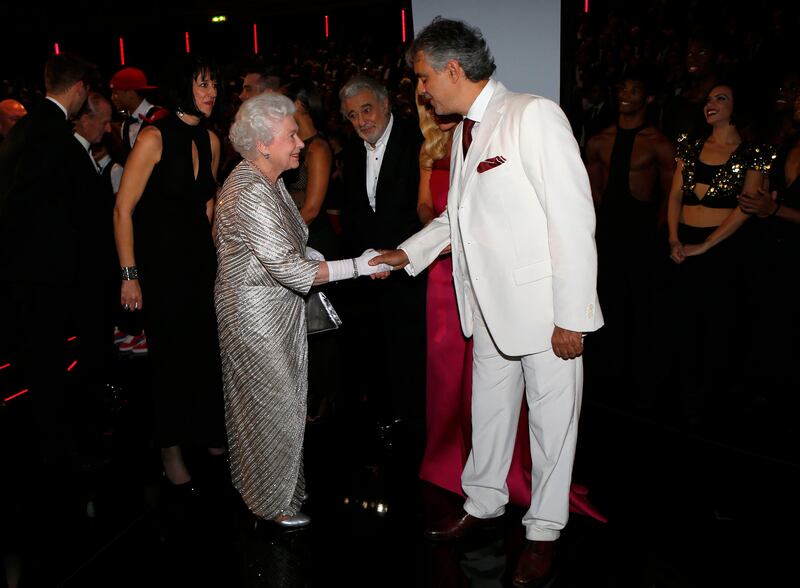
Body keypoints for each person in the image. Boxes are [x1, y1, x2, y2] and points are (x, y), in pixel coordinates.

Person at [371, 18, 603, 586]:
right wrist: (408, 254)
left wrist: (572, 317)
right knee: (490, 418)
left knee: (553, 428)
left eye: (424, 78)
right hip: (487, 310)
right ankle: (483, 506)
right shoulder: (463, 134)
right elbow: (458, 218)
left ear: (454, 69)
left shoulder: (532, 115)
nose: (421, 90)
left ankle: (544, 533)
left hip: (547, 314)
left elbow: (574, 221)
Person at [213, 92, 391, 527]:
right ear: (262, 144)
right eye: (290, 135)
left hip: (271, 307)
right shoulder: (251, 192)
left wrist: (357, 259)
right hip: (253, 313)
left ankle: (270, 489)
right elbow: (294, 270)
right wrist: (359, 266)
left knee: (277, 402)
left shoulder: (266, 181)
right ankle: (271, 502)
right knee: (271, 403)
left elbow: (293, 248)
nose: (300, 142)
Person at [113, 54, 226, 494]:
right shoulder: (154, 137)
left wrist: (221, 254)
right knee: (169, 359)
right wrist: (129, 273)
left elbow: (208, 205)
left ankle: (207, 430)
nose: (211, 92)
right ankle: (170, 447)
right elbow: (123, 208)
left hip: (201, 263)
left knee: (204, 352)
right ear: (184, 88)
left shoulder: (213, 141)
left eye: (214, 83)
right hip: (160, 268)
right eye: (202, 84)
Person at [0, 52, 98, 474]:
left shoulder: (17, 133)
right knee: (50, 364)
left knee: (35, 361)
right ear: (79, 89)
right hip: (52, 274)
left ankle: (43, 445)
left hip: (18, 270)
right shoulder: (59, 138)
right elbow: (81, 214)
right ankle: (58, 451)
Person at [666, 82, 774, 428]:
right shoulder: (690, 143)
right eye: (709, 99)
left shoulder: (752, 152)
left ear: (736, 106)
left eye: (721, 98)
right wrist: (673, 239)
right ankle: (685, 399)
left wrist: (707, 245)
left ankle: (713, 402)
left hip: (724, 249)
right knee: (684, 324)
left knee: (719, 327)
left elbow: (745, 208)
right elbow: (674, 196)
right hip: (683, 245)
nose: (710, 104)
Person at [339, 75, 427, 446]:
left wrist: (399, 258)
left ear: (386, 104)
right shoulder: (350, 151)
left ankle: (417, 427)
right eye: (352, 115)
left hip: (411, 269)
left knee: (412, 351)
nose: (361, 120)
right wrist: (367, 261)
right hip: (369, 273)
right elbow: (353, 212)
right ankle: (389, 416)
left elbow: (425, 212)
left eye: (366, 109)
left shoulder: (418, 142)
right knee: (376, 349)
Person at [584, 67, 675, 406]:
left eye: (634, 89)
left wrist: (659, 236)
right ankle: (608, 375)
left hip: (643, 235)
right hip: (607, 233)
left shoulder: (659, 143)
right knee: (607, 302)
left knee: (645, 307)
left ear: (648, 97)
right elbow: (591, 193)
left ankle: (645, 382)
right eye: (622, 87)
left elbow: (670, 195)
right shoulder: (598, 140)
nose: (625, 94)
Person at [737, 89, 800, 434]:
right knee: (769, 329)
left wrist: (774, 209)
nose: (795, 101)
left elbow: (774, 206)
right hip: (771, 255)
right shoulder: (785, 147)